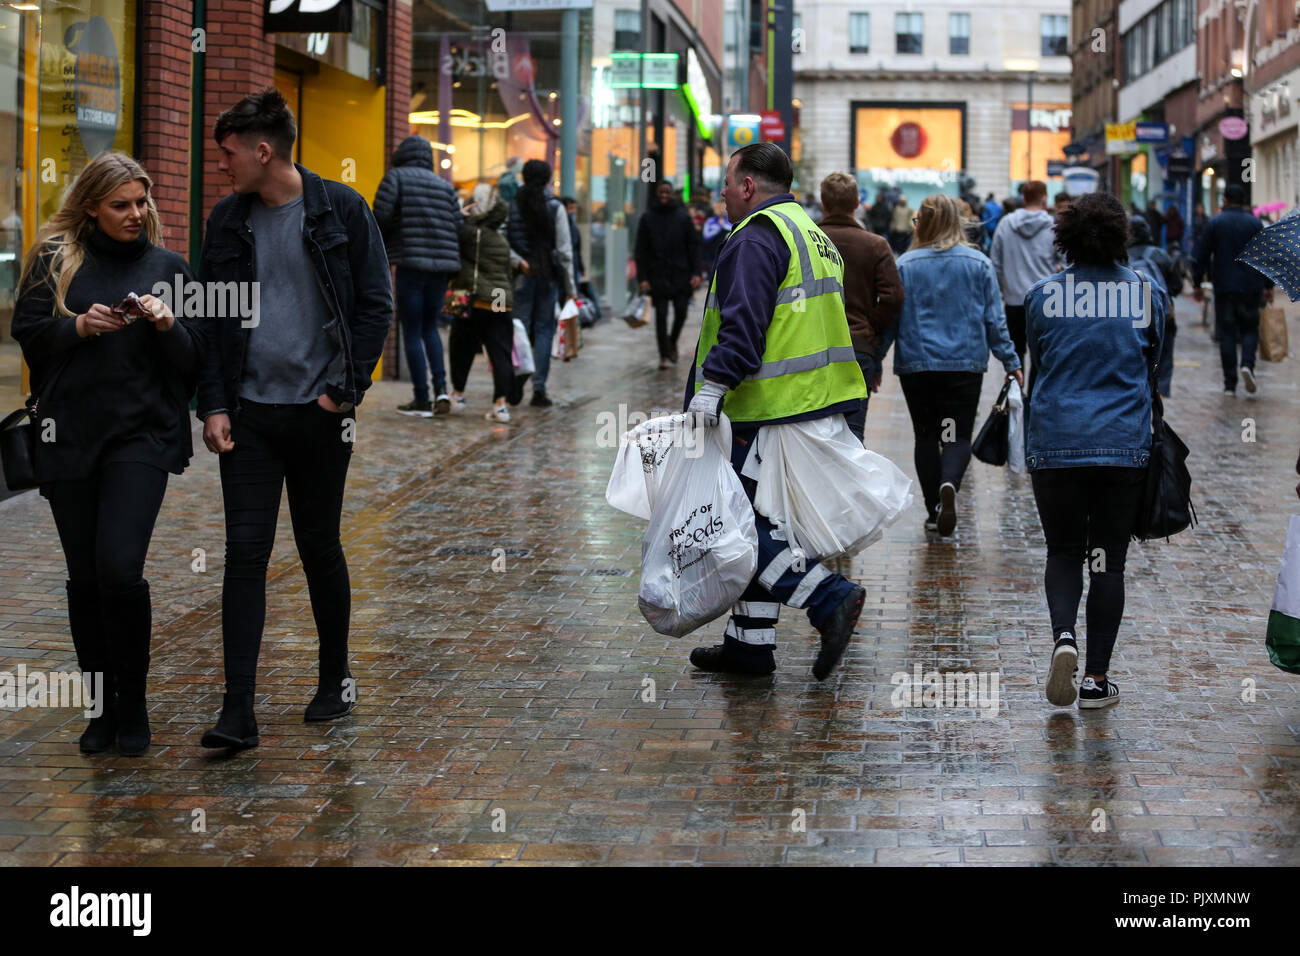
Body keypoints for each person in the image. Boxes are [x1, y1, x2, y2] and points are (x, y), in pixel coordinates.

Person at [196, 88, 393, 749]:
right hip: (249, 416)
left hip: (320, 415)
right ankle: (237, 710)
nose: (220, 164)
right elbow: (210, 317)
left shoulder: (341, 208)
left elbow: (375, 306)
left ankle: (334, 679)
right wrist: (215, 403)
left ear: (262, 150)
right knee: (245, 556)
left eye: (227, 153)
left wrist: (342, 393)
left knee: (318, 546)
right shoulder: (227, 220)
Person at [11, 153, 198, 757]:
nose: (135, 214)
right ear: (92, 205)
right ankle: (100, 709)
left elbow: (196, 365)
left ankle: (133, 705)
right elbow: (29, 334)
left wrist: (170, 326)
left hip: (141, 438)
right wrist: (79, 327)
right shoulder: (55, 261)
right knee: (86, 579)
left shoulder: (170, 269)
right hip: (67, 438)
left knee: (119, 568)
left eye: (142, 202)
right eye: (121, 204)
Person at [684, 142, 868, 680]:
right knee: (763, 522)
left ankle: (827, 597)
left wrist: (712, 387)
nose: (720, 192)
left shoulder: (755, 238)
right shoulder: (809, 232)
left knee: (737, 526)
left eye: (726, 181)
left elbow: (745, 323)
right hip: (813, 400)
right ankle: (748, 646)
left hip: (763, 406)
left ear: (746, 187)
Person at [1023, 192, 1165, 709]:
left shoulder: (1042, 295)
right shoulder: (1146, 294)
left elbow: (1039, 362)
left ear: (1067, 238)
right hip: (1121, 447)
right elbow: (1154, 366)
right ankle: (1097, 680)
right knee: (1107, 561)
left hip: (1057, 442)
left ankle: (1064, 638)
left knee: (1062, 550)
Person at [881, 194, 1022, 536]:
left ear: (923, 223)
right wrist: (1010, 360)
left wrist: (874, 361)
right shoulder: (979, 264)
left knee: (927, 436)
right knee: (956, 434)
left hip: (919, 364)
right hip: (964, 364)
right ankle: (949, 486)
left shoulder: (907, 265)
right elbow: (994, 320)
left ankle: (934, 509)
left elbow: (892, 320)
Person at [372, 135, 461, 417]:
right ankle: (443, 391)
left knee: (411, 329)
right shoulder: (444, 186)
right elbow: (458, 225)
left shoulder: (395, 177)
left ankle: (421, 398)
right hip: (442, 267)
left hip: (411, 263)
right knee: (430, 327)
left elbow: (381, 216)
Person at [817, 171, 903, 442]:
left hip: (811, 346)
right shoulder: (876, 245)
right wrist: (872, 329)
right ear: (857, 203)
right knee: (852, 434)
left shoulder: (807, 239)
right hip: (858, 347)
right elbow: (893, 296)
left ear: (823, 203)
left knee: (812, 432)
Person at [1193, 183, 1275, 395]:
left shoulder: (1215, 223)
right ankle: (1247, 364)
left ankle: (1230, 384)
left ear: (1225, 200)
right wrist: (1269, 285)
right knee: (1250, 329)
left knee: (1227, 333)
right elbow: (1266, 256)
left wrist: (1197, 283)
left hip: (1224, 286)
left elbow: (1200, 255)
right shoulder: (1255, 223)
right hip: (1251, 286)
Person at [505, 159, 575, 407]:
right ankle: (539, 389)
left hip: (521, 276)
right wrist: (571, 289)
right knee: (545, 330)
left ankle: (517, 374)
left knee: (519, 327)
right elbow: (565, 252)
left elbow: (504, 241)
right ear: (548, 179)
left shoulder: (512, 205)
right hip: (548, 277)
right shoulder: (556, 207)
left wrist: (517, 261)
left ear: (523, 177)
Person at [448, 184, 516, 423]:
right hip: (500, 301)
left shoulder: (470, 234)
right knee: (500, 353)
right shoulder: (501, 240)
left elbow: (449, 228)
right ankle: (501, 404)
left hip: (471, 298)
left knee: (461, 348)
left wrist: (460, 214)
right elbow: (509, 273)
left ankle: (457, 395)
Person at [990, 179, 1058, 377]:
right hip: (1046, 302)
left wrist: (1005, 288)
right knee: (1042, 357)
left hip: (1014, 301)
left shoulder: (1005, 224)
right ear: (1044, 198)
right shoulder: (1054, 226)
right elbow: (1065, 260)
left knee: (1015, 356)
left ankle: (1016, 400)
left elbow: (995, 262)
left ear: (1023, 197)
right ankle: (1034, 404)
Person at [635, 179, 703, 369]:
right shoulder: (647, 218)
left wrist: (696, 272)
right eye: (661, 192)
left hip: (681, 273)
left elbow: (693, 245)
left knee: (681, 312)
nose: (664, 196)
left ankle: (672, 341)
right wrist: (642, 278)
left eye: (667, 192)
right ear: (656, 194)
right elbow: (640, 250)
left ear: (671, 194)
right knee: (661, 315)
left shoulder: (682, 217)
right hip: (657, 274)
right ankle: (664, 355)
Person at [1127, 214, 1181, 397]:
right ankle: (1161, 392)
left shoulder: (1122, 256)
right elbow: (1177, 286)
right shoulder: (1160, 254)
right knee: (1163, 355)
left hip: (1132, 316)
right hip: (1162, 315)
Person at [700, 198, 732, 277]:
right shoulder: (711, 221)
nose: (722, 210)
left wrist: (723, 226)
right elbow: (706, 237)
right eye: (720, 207)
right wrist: (719, 227)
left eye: (724, 207)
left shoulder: (731, 221)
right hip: (711, 254)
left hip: (725, 254)